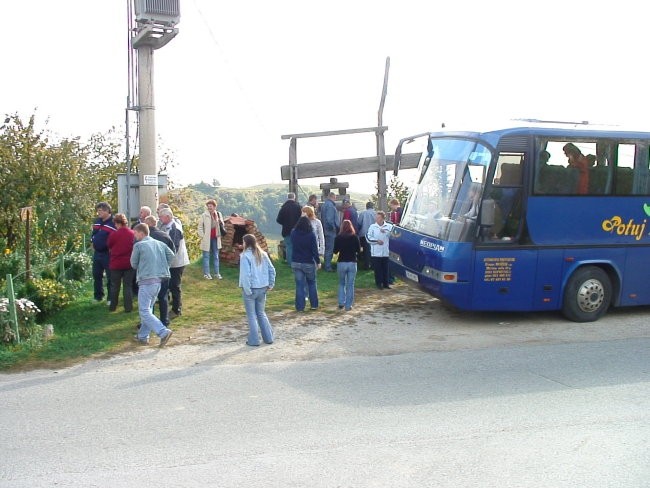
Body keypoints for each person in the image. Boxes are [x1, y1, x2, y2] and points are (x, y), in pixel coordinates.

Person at [131, 223, 174, 347]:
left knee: (144, 311)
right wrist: (163, 266)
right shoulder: (160, 244)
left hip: (146, 281)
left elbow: (133, 264)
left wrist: (144, 265)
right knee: (148, 309)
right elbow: (171, 256)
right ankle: (143, 336)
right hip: (158, 281)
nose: (134, 235)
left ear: (141, 233)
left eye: (135, 233)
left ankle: (163, 332)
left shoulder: (138, 246)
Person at [238, 234, 276, 346]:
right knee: (261, 313)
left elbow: (246, 275)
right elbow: (272, 269)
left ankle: (254, 340)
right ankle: (268, 337)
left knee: (251, 315)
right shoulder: (263, 254)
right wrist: (270, 284)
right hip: (262, 288)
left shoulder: (245, 256)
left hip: (251, 289)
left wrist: (247, 290)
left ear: (247, 243)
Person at [158, 208, 190, 318]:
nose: (160, 219)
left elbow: (174, 246)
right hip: (171, 261)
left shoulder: (175, 228)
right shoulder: (164, 226)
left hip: (177, 262)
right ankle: (170, 307)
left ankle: (177, 309)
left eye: (161, 216)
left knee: (174, 285)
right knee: (169, 285)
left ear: (167, 216)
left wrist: (166, 258)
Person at [145, 215, 176, 327]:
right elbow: (172, 252)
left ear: (147, 224)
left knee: (149, 298)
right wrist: (166, 265)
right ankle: (164, 320)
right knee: (163, 296)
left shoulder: (146, 238)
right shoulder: (165, 235)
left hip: (150, 272)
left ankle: (150, 322)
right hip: (163, 271)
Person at [290, 216, 320, 311]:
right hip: (308, 262)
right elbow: (314, 250)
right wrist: (318, 261)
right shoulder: (311, 235)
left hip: (296, 261)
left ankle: (300, 307)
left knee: (299, 285)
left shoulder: (293, 233)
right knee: (311, 283)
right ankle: (314, 305)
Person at [106, 213, 135, 313]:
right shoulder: (132, 234)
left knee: (115, 286)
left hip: (116, 263)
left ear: (117, 223)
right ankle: (128, 307)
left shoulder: (113, 234)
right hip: (129, 263)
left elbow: (109, 245)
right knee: (128, 286)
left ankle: (113, 306)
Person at [91, 202, 116, 304]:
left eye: (100, 211)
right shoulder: (97, 222)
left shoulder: (114, 222)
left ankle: (111, 298)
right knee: (96, 275)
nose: (98, 213)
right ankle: (98, 296)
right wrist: (92, 242)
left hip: (108, 253)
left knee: (110, 276)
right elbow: (93, 234)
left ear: (107, 210)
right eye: (98, 211)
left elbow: (115, 238)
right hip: (97, 253)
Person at [333, 219, 361, 311]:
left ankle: (341, 302)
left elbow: (335, 251)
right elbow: (358, 250)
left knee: (341, 283)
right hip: (352, 262)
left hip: (341, 262)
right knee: (350, 284)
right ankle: (348, 306)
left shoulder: (338, 237)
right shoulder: (355, 237)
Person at [197, 199, 225, 280]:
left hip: (215, 238)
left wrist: (220, 222)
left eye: (211, 206)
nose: (209, 208)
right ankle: (206, 274)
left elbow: (222, 224)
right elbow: (200, 227)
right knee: (206, 256)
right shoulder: (204, 215)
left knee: (216, 256)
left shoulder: (218, 214)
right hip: (207, 239)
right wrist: (203, 236)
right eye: (208, 206)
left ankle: (217, 273)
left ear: (214, 207)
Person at [366, 211, 393, 290]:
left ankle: (386, 283)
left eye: (379, 218)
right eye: (376, 217)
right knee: (378, 269)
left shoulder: (389, 226)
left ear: (383, 218)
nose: (377, 219)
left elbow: (393, 236)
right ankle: (379, 283)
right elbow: (368, 238)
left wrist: (386, 232)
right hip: (376, 252)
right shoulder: (372, 227)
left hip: (385, 251)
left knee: (385, 268)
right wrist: (376, 241)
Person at [276, 192, 302, 264]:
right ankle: (297, 262)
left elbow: (278, 220)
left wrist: (285, 223)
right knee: (297, 246)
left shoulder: (284, 207)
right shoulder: (298, 206)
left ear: (287, 198)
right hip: (297, 230)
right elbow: (301, 218)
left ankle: (290, 263)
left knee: (289, 247)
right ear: (294, 197)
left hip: (286, 230)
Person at [320, 192, 339, 271]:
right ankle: (328, 267)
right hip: (330, 231)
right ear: (333, 197)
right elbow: (329, 219)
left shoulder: (324, 205)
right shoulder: (330, 206)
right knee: (329, 249)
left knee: (327, 248)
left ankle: (326, 264)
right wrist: (334, 228)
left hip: (324, 229)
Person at [357, 202, 376, 270]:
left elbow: (359, 223)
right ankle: (374, 265)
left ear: (366, 207)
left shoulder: (363, 213)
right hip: (374, 235)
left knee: (366, 250)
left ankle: (367, 265)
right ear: (373, 206)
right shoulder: (376, 214)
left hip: (365, 234)